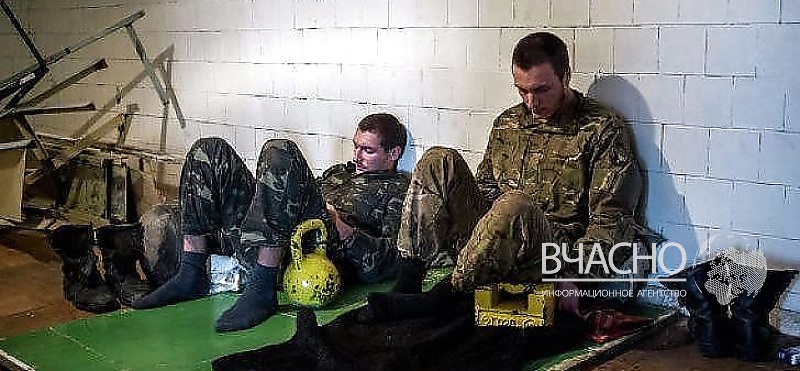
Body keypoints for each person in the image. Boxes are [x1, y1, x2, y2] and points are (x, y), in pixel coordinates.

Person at [389, 32, 649, 295]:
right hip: (496, 241)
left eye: (541, 90)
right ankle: (409, 280)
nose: (532, 102)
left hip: (550, 253)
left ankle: (447, 296)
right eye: (522, 91)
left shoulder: (602, 129)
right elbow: (486, 188)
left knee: (514, 203)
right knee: (438, 160)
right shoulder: (508, 123)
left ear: (566, 77)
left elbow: (610, 220)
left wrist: (577, 277)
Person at [133, 113, 410, 332]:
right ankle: (191, 271)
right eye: (355, 146)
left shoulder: (398, 190)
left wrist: (340, 225)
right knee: (209, 149)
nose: (356, 156)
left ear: (394, 153)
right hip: (277, 234)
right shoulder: (338, 172)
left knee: (280, 150)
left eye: (367, 150)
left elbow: (388, 262)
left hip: (315, 248)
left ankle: (262, 287)